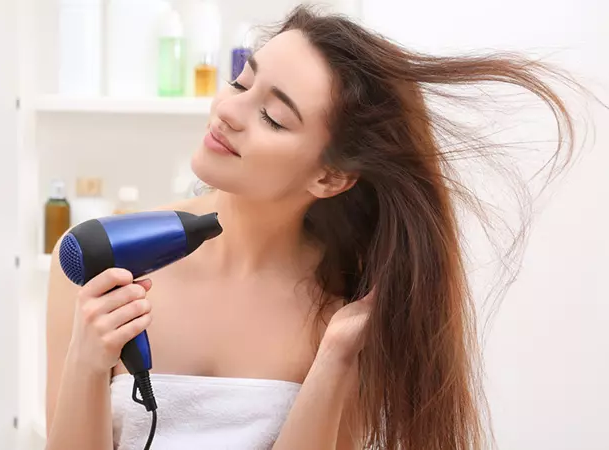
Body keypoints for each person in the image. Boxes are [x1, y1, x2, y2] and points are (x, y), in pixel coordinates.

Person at [44, 5, 579, 450]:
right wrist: (87, 363)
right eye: (241, 82)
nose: (230, 111)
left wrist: (337, 358)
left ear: (330, 176)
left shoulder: (346, 304)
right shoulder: (98, 257)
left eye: (274, 118)